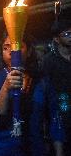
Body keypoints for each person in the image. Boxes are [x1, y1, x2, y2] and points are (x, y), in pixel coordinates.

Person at [0, 34, 64, 156]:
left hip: (34, 147)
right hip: (1, 148)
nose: (11, 51)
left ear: (29, 51)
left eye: (18, 46)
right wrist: (5, 87)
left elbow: (55, 117)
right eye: (6, 48)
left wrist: (59, 152)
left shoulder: (41, 80)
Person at [42, 19, 71, 154]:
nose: (70, 37)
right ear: (56, 39)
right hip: (59, 111)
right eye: (66, 34)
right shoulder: (49, 61)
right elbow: (45, 89)